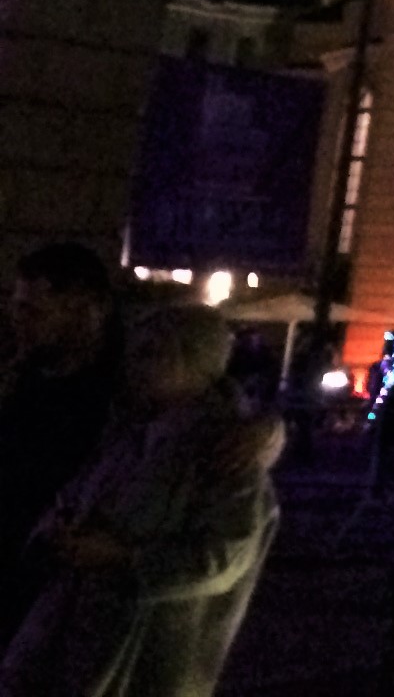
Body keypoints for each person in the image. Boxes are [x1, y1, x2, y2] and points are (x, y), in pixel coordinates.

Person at [0, 302, 282, 697]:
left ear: (196, 359)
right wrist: (57, 532)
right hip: (70, 638)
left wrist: (123, 558)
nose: (136, 364)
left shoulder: (224, 451)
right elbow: (76, 493)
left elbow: (226, 554)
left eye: (153, 352)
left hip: (145, 660)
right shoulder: (132, 429)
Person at [0, 248, 119, 648]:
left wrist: (266, 431)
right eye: (17, 307)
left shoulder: (124, 385)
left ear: (88, 310)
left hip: (60, 574)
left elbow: (209, 414)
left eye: (34, 311)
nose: (18, 321)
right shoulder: (21, 367)